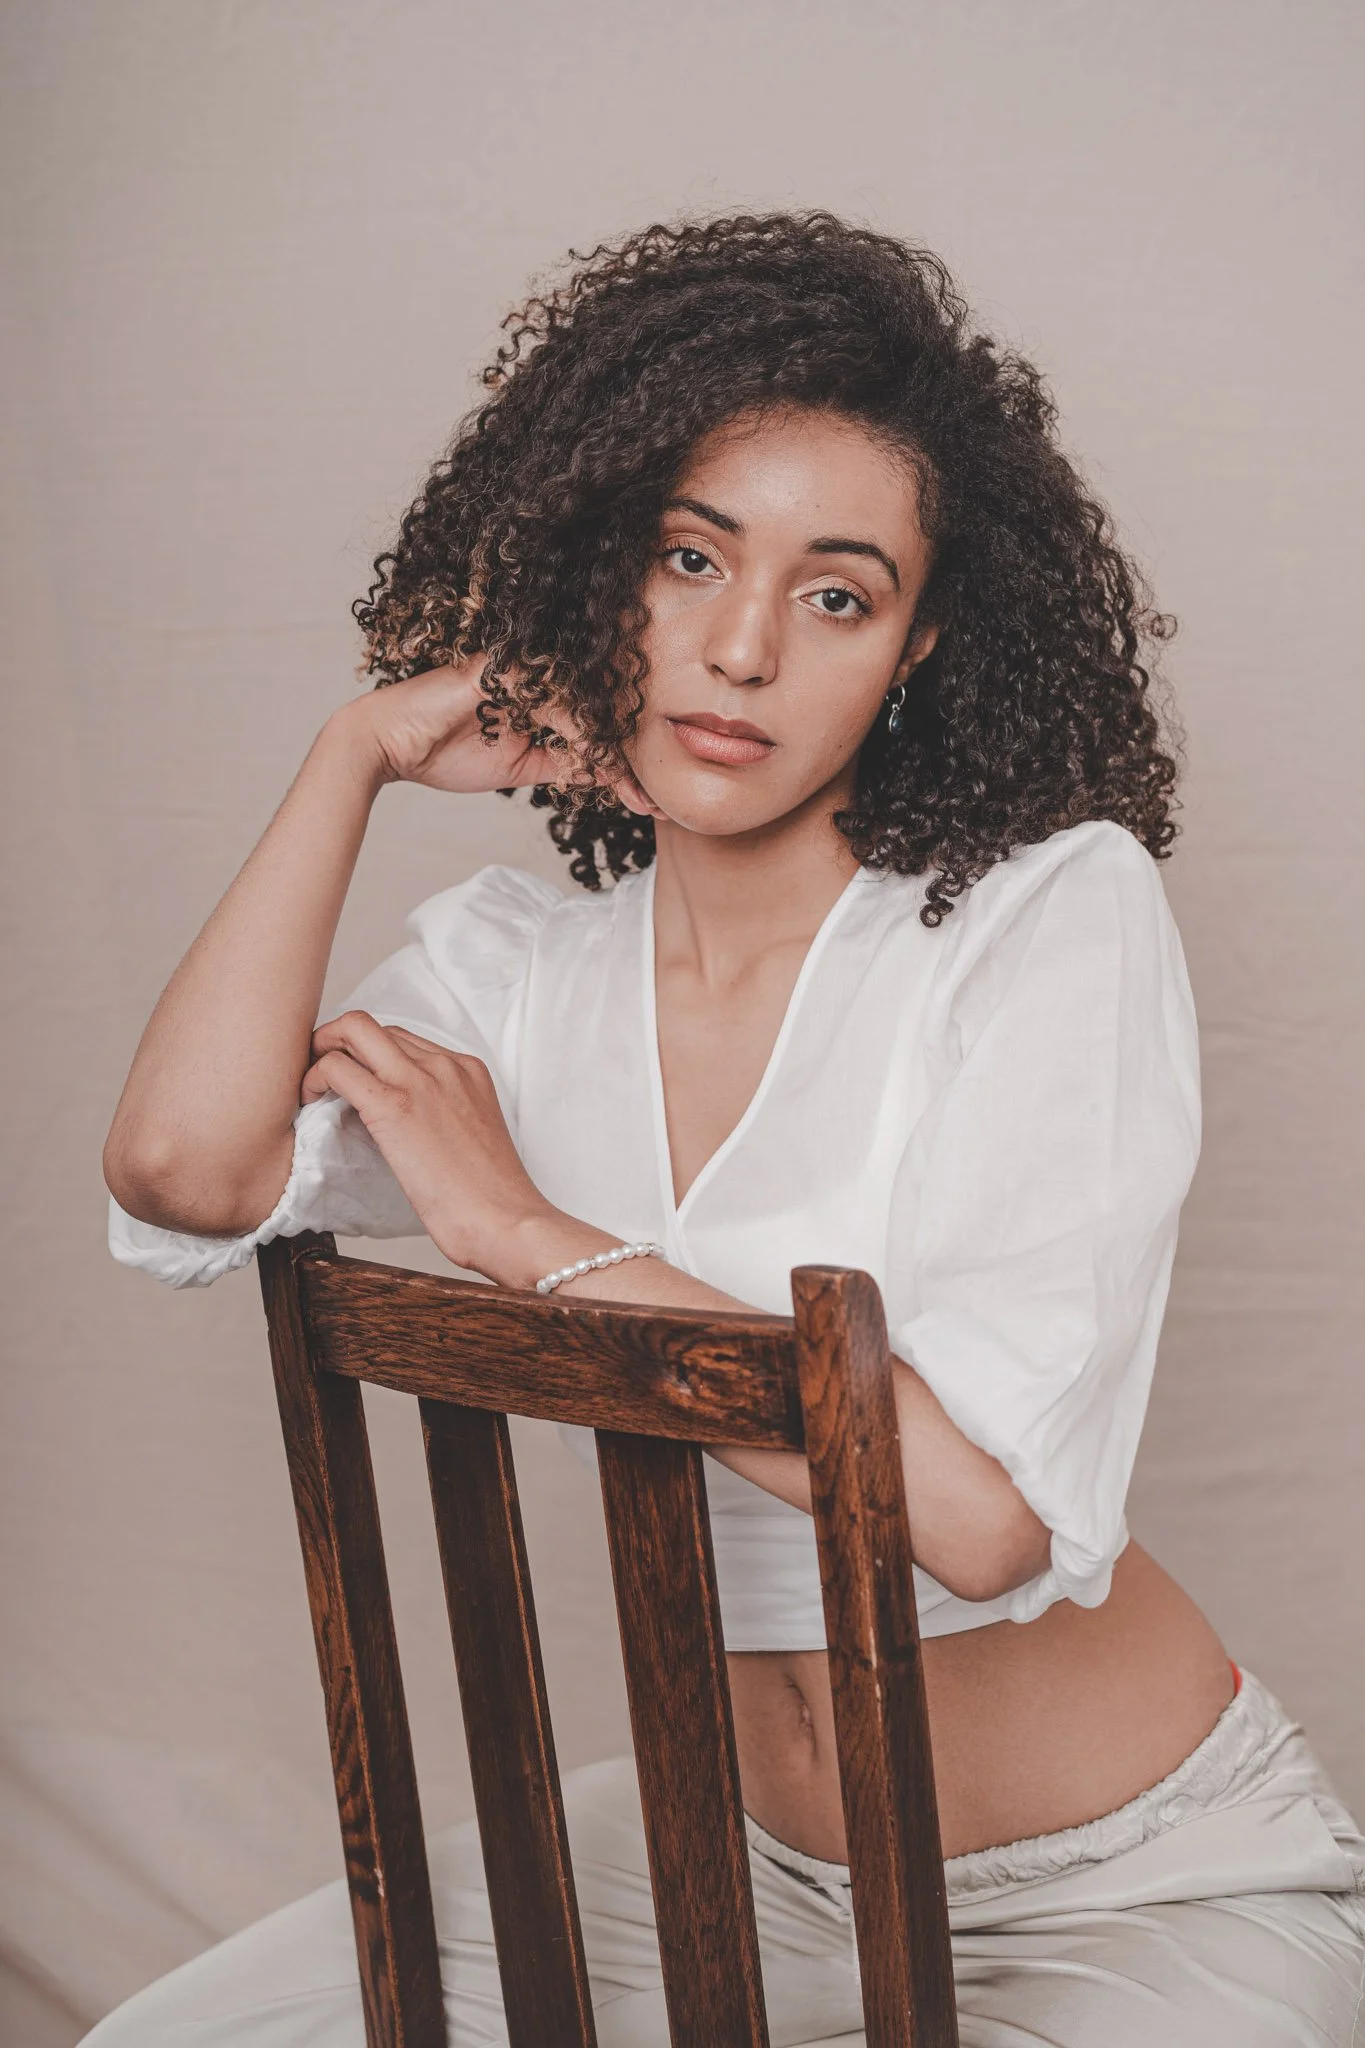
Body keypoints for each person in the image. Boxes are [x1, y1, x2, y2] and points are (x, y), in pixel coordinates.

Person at [93, 214, 1364, 2046]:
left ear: (920, 645)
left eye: (837, 594)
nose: (745, 645)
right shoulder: (521, 973)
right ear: (602, 571)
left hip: (1129, 1883)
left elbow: (982, 1525)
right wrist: (351, 757)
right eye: (691, 559)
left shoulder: (1042, 920)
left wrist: (529, 1235)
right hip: (731, 1872)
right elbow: (182, 1171)